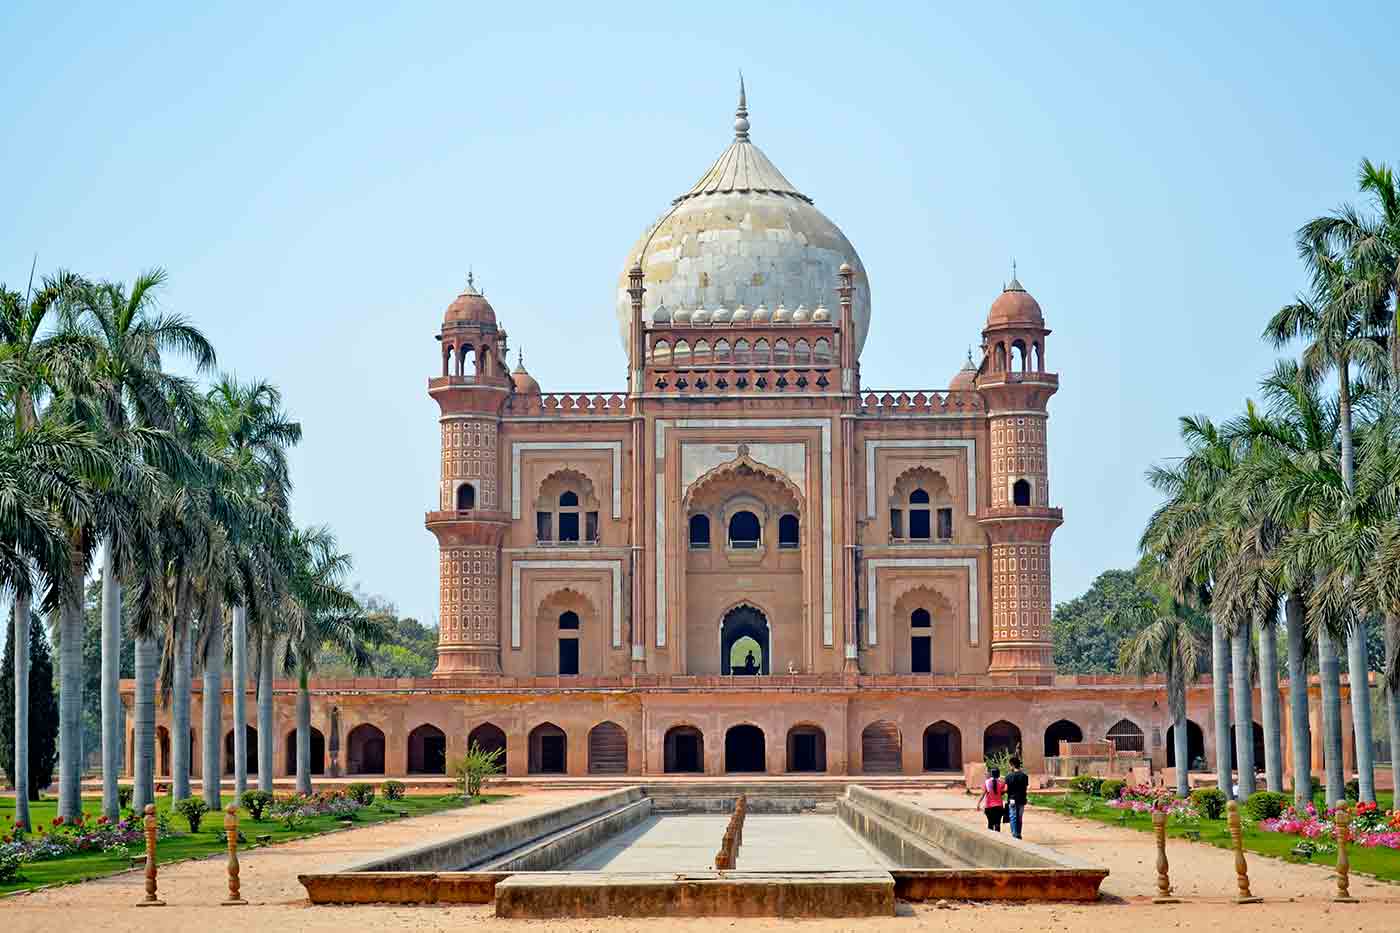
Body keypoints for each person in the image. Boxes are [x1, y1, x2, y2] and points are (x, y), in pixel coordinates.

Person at [1003, 756, 1029, 839]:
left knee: (1013, 816)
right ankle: (1019, 833)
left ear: (1013, 765)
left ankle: (1014, 834)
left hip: (1012, 799)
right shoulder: (1024, 776)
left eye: (1010, 765)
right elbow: (1025, 787)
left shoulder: (1008, 776)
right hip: (1022, 799)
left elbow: (1006, 789)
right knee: (1020, 817)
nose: (1010, 767)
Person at [977, 767, 1007, 832]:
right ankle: (998, 838)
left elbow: (983, 794)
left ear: (991, 774)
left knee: (990, 824)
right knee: (997, 824)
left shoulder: (987, 782)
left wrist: (978, 803)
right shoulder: (1001, 782)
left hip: (989, 807)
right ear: (998, 774)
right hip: (999, 806)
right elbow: (1005, 790)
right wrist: (1003, 779)